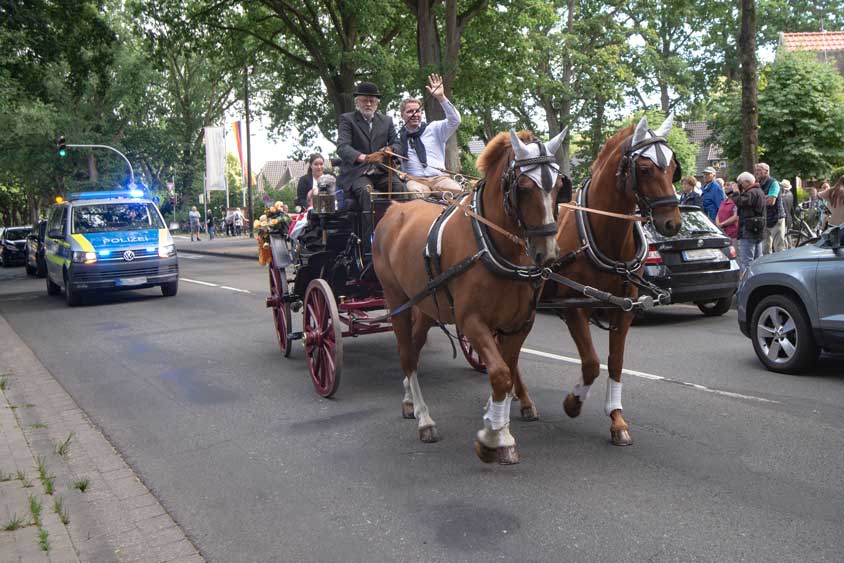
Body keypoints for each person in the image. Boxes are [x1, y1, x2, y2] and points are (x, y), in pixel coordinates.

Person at [336, 81, 407, 251]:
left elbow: (398, 144)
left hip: (383, 172)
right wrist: (364, 158)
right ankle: (370, 246)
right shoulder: (347, 119)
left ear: (377, 103)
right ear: (357, 102)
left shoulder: (387, 121)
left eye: (372, 101)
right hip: (358, 173)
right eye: (365, 100)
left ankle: (404, 239)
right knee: (368, 194)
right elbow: (342, 147)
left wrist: (389, 151)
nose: (368, 104)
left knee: (402, 190)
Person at [397, 73, 462, 197]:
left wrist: (441, 97)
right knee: (414, 194)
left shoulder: (434, 128)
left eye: (418, 111)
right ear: (402, 115)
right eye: (410, 111)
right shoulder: (398, 136)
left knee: (458, 194)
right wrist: (399, 173)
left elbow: (455, 120)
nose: (415, 114)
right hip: (416, 180)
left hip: (440, 178)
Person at [733, 171, 766, 275]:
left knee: (747, 261)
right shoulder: (759, 191)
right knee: (758, 260)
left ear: (747, 182)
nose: (740, 186)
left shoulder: (751, 193)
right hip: (758, 229)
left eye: (741, 183)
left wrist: (736, 193)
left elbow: (740, 203)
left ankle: (747, 285)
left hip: (748, 230)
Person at [756, 162, 786, 254]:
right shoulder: (758, 184)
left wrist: (760, 199)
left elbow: (771, 201)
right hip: (765, 219)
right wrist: (765, 197)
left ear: (766, 171)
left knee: (779, 248)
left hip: (776, 218)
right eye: (756, 170)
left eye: (759, 170)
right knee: (765, 248)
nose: (756, 172)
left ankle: (781, 267)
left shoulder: (774, 183)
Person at [716, 181, 739, 248]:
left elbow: (736, 216)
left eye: (728, 185)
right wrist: (718, 224)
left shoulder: (736, 201)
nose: (725, 187)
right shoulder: (724, 201)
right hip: (723, 233)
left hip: (733, 233)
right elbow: (718, 213)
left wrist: (722, 224)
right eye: (725, 185)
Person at [779, 179, 795, 247]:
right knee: (789, 235)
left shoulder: (783, 197)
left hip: (785, 218)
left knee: (784, 236)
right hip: (789, 217)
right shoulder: (790, 194)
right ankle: (791, 248)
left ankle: (787, 251)